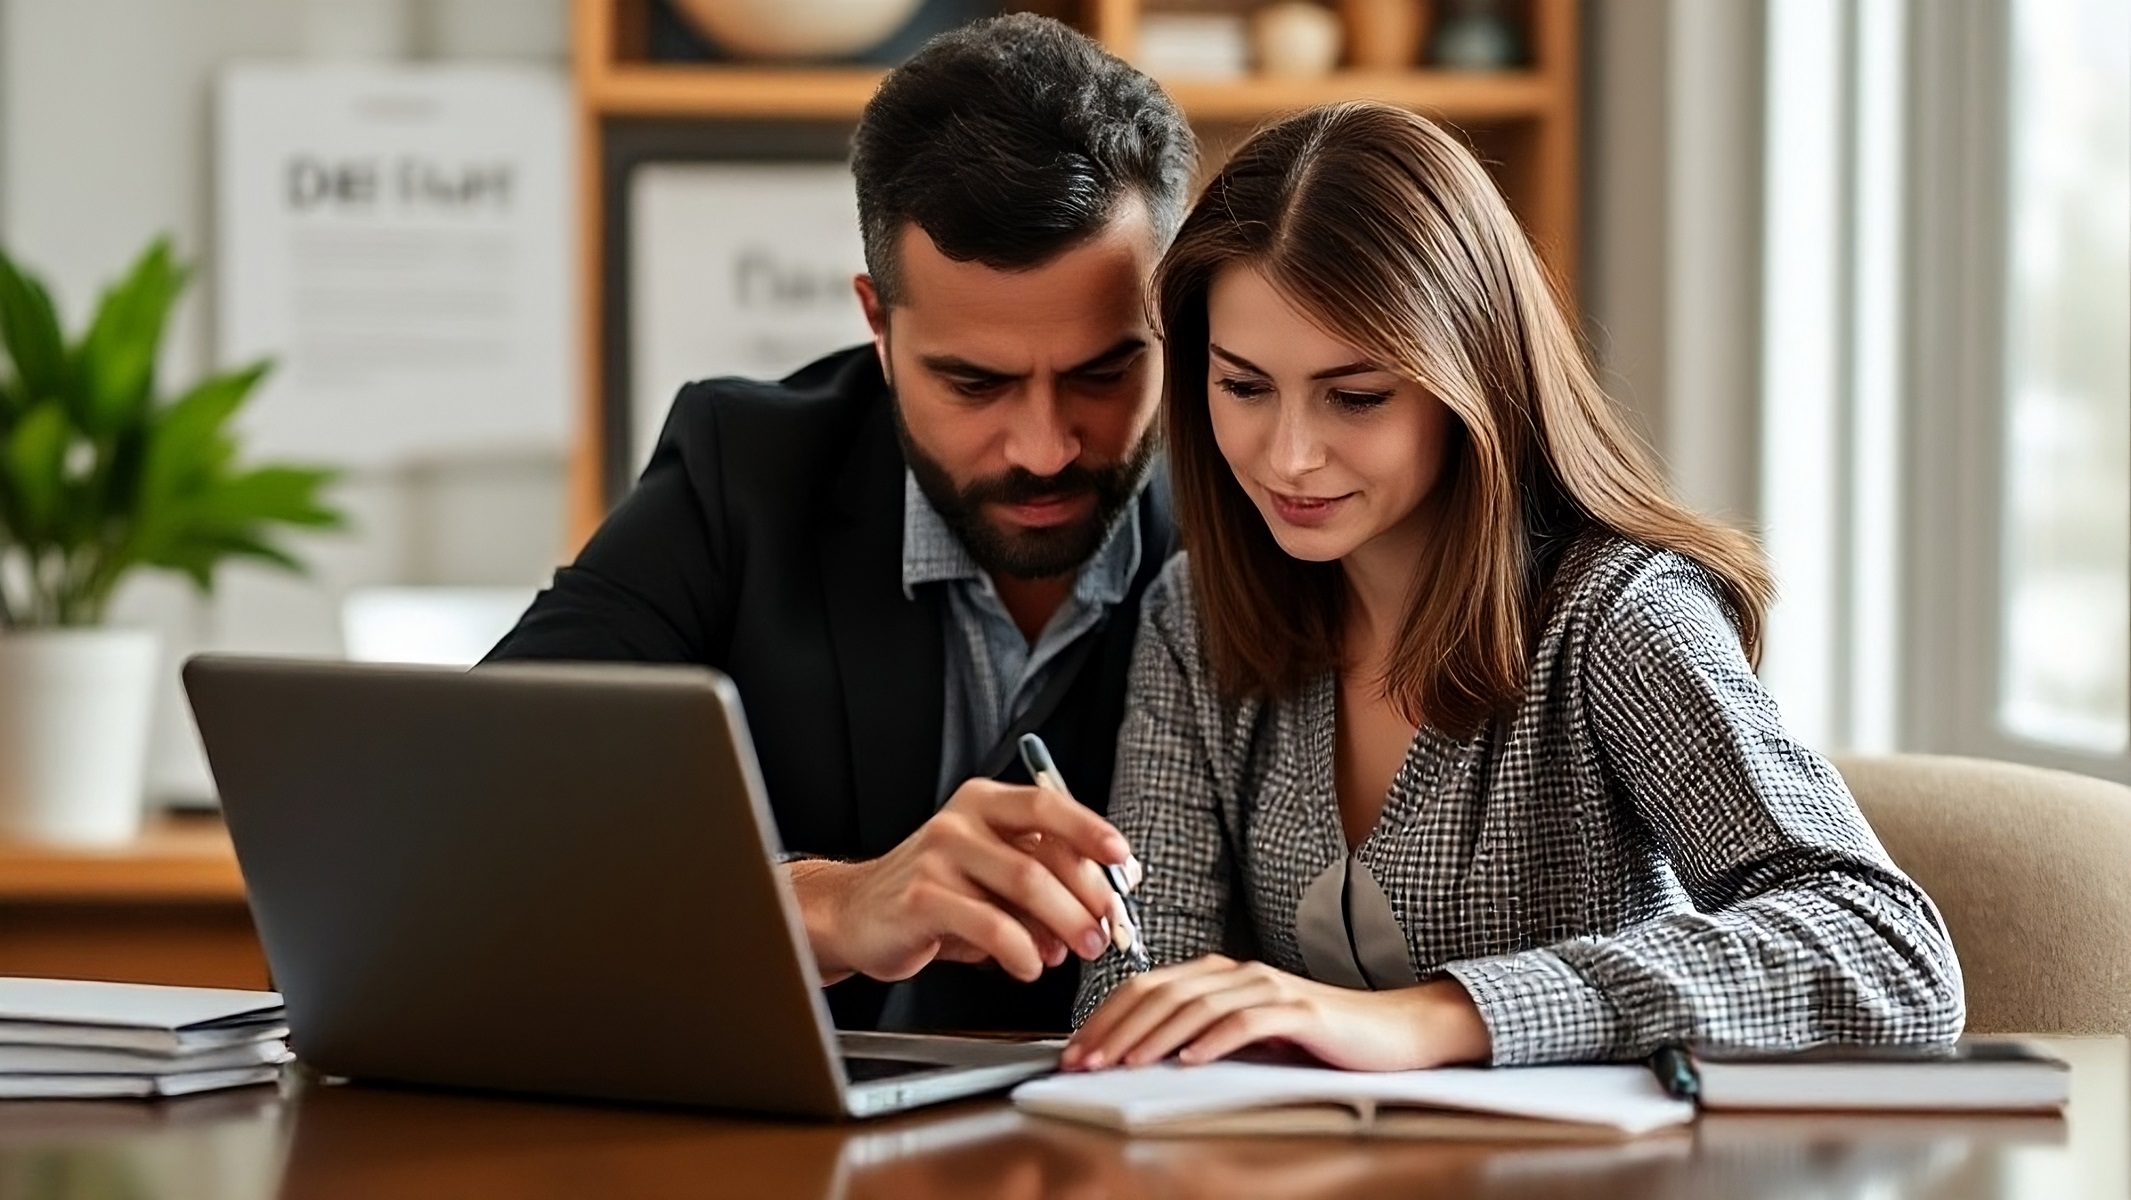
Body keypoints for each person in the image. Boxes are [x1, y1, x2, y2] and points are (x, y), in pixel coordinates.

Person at [1065, 102, 1965, 1071]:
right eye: (1243, 387)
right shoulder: (1193, 616)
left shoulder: (1615, 614)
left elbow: (1890, 951)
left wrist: (1440, 1017)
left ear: (1472, 381)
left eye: (1356, 397)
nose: (1287, 457)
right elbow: (1137, 982)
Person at [485, 15, 1195, 1034]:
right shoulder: (745, 471)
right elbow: (486, 812)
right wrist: (827, 904)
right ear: (877, 320)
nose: (1043, 447)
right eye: (973, 381)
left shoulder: (1265, 514)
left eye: (1101, 371)